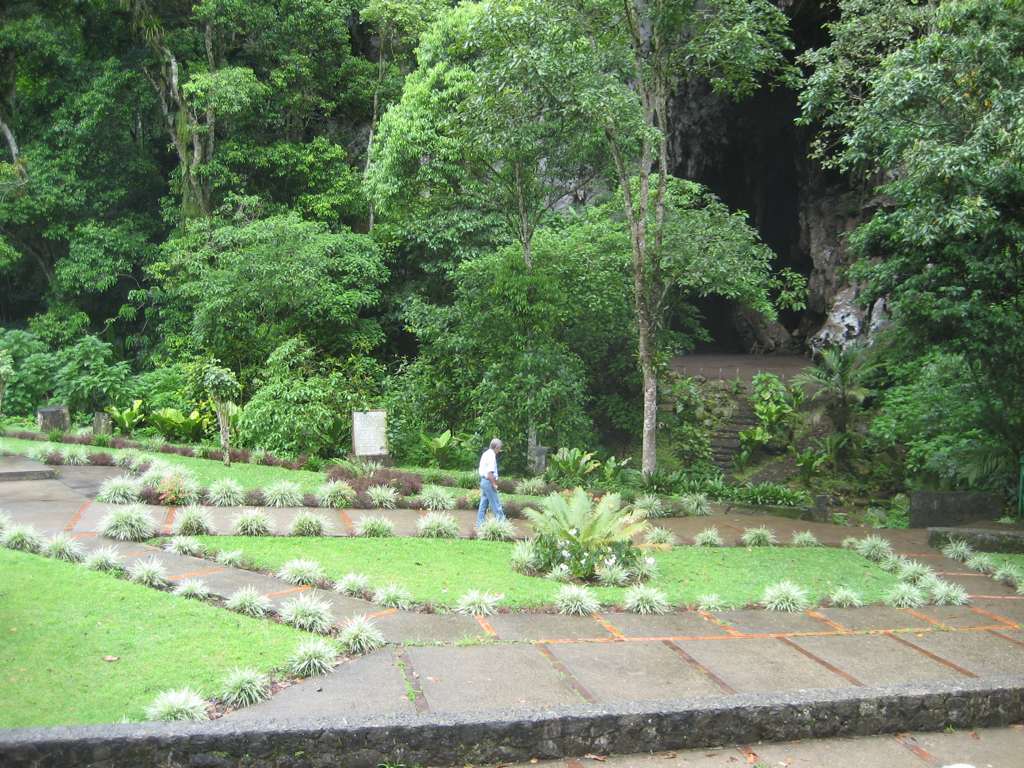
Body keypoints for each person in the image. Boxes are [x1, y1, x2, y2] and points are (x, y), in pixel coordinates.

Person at [477, 437, 505, 526]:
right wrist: (494, 484)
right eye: (499, 448)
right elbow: (490, 473)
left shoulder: (486, 453)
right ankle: (502, 524)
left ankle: (480, 524)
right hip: (488, 482)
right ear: (496, 447)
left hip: (483, 481)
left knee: (483, 504)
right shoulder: (491, 455)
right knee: (496, 504)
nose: (499, 451)